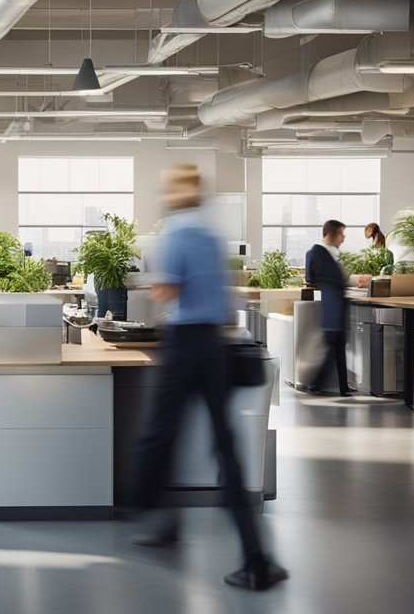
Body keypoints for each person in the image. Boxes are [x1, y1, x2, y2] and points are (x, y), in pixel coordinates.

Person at [128, 163, 288, 591]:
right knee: (221, 447)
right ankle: (247, 552)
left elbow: (167, 288)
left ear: (173, 194)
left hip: (185, 343)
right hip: (214, 345)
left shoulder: (176, 233)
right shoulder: (211, 235)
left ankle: (144, 502)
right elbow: (223, 292)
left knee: (162, 432)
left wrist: (149, 285)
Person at [305, 219, 352, 397]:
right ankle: (315, 384)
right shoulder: (317, 252)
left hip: (337, 304)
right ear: (331, 234)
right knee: (334, 345)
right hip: (332, 306)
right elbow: (312, 278)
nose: (344, 238)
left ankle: (344, 387)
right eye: (341, 233)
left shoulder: (332, 253)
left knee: (339, 345)